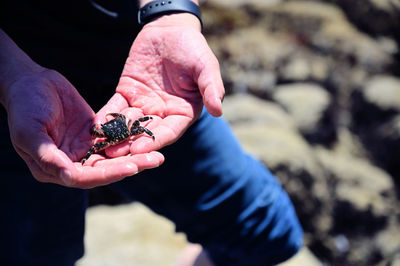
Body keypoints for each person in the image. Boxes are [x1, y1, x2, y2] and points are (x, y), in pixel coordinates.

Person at [0, 0, 303, 265]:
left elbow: (132, 126)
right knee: (41, 255)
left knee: (265, 228)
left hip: (141, 72)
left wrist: (173, 14)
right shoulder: (100, 134)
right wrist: (11, 76)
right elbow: (98, 138)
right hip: (19, 104)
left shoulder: (132, 121)